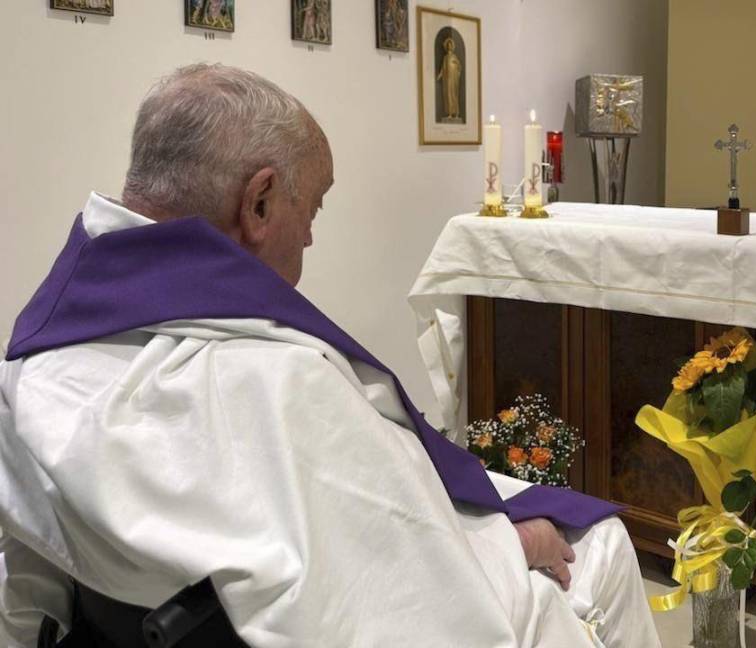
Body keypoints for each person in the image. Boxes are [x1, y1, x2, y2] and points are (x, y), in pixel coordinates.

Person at [0, 64, 660, 647]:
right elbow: (393, 580)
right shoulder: (275, 380)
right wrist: (510, 543)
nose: (311, 236)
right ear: (257, 204)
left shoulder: (40, 354)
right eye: (311, 206)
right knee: (600, 546)